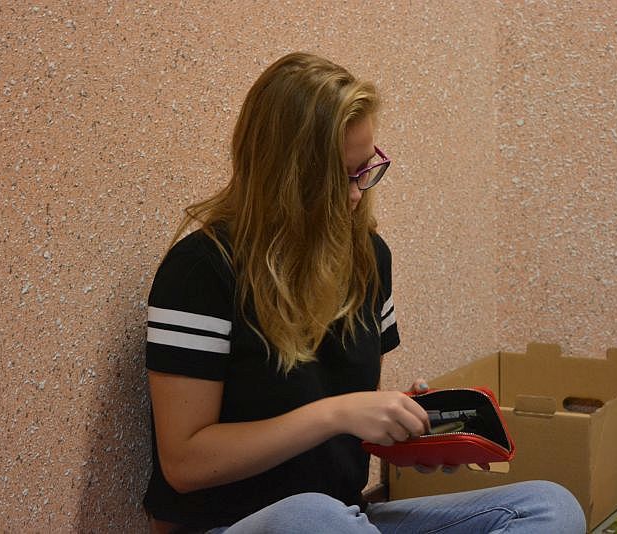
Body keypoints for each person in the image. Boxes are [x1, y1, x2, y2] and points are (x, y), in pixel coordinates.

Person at [143, 52, 585, 533]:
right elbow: (184, 464)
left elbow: (345, 428)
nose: (355, 195)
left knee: (550, 506)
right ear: (281, 173)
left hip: (348, 520)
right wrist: (336, 414)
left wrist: (401, 430)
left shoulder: (368, 256)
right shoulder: (201, 269)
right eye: (335, 178)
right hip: (240, 524)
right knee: (312, 515)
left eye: (362, 170)